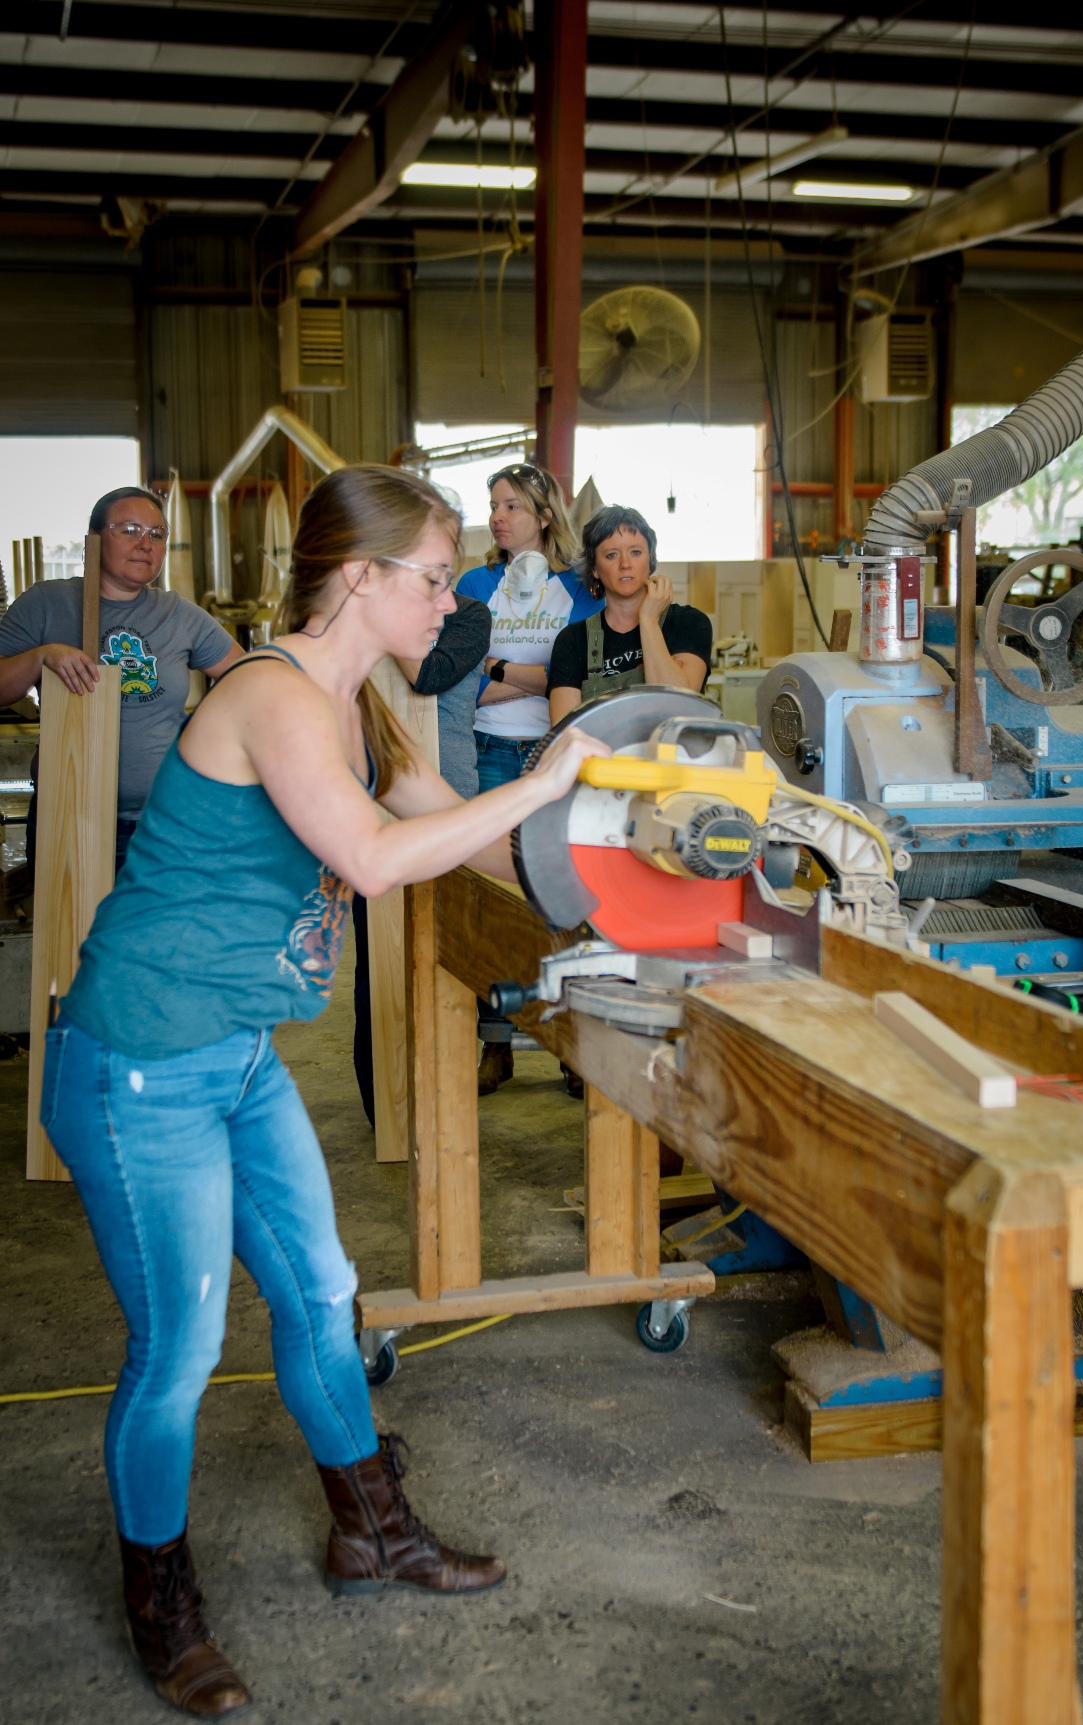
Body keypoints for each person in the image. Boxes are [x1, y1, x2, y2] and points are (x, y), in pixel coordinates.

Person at [40, 464, 607, 1720]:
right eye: (431, 577)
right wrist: (542, 781)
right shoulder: (271, 694)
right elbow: (370, 858)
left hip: (234, 1052)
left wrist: (615, 838)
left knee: (321, 1293)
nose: (447, 602)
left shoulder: (367, 711)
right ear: (359, 577)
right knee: (178, 1350)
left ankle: (373, 1532)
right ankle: (159, 1601)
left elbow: (466, 830)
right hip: (138, 1059)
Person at [0, 486, 243, 872]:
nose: (145, 544)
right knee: (74, 932)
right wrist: (39, 658)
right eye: (129, 530)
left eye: (156, 534)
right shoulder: (47, 604)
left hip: (164, 821)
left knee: (160, 931)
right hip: (69, 815)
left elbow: (250, 680)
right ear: (94, 539)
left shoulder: (179, 615)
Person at [456, 462, 602, 1093]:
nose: (498, 516)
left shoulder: (579, 589)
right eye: (493, 505)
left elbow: (577, 676)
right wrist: (517, 677)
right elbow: (456, 674)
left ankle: (571, 1043)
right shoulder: (473, 582)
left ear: (545, 516)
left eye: (512, 505)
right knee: (492, 898)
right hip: (486, 749)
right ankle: (496, 1042)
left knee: (563, 895)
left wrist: (498, 669)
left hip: (554, 752)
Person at [351, 588, 492, 1124]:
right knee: (380, 962)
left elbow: (427, 674)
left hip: (450, 802)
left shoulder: (470, 613)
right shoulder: (360, 605)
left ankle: (447, 1096)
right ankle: (387, 1106)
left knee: (451, 961)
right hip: (375, 804)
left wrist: (384, 616)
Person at [547, 504, 712, 722]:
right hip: (601, 756)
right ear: (595, 569)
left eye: (635, 552)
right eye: (612, 555)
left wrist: (648, 620)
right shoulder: (573, 641)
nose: (625, 564)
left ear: (650, 560)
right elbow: (565, 734)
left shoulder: (688, 623)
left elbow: (676, 708)